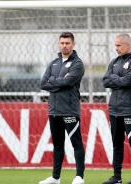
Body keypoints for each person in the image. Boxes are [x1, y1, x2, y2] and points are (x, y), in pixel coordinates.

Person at [39, 32, 85, 184]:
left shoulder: (77, 64)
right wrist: (59, 81)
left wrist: (54, 81)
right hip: (54, 110)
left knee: (76, 143)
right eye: (62, 43)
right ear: (59, 44)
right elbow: (43, 83)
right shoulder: (54, 63)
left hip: (69, 110)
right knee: (58, 145)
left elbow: (69, 82)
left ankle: (79, 177)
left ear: (73, 44)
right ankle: (55, 177)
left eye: (67, 43)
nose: (64, 46)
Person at [102, 34, 131, 184]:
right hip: (114, 109)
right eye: (115, 45)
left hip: (129, 108)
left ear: (127, 45)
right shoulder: (114, 62)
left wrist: (115, 79)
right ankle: (117, 177)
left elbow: (127, 81)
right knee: (116, 143)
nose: (116, 48)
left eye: (118, 45)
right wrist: (117, 80)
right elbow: (105, 81)